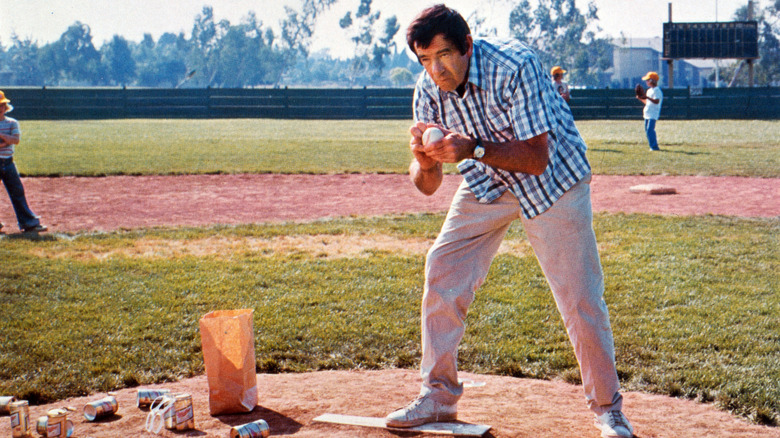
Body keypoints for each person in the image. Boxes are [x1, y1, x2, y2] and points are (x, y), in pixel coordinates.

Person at [384, 5, 633, 438]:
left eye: (443, 55)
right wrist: (423, 161)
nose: (436, 70)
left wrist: (473, 148)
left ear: (466, 45)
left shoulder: (515, 66)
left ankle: (608, 411)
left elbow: (536, 158)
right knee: (442, 269)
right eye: (424, 60)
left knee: (579, 298)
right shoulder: (427, 91)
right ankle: (439, 395)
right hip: (487, 184)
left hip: (554, 180)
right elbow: (427, 186)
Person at [0, 90, 47, 233]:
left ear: (5, 107)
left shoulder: (12, 123)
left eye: (2, 106)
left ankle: (28, 223)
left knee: (17, 191)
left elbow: (16, 140)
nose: (0, 108)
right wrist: (5, 141)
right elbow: (9, 140)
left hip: (8, 163)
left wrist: (1, 136)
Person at [637, 71, 662, 151]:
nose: (646, 82)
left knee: (650, 130)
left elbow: (656, 101)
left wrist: (647, 97)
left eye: (648, 80)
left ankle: (654, 147)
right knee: (647, 131)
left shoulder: (657, 90)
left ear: (652, 81)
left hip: (653, 113)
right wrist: (640, 98)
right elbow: (647, 102)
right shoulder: (649, 90)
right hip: (647, 113)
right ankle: (652, 145)